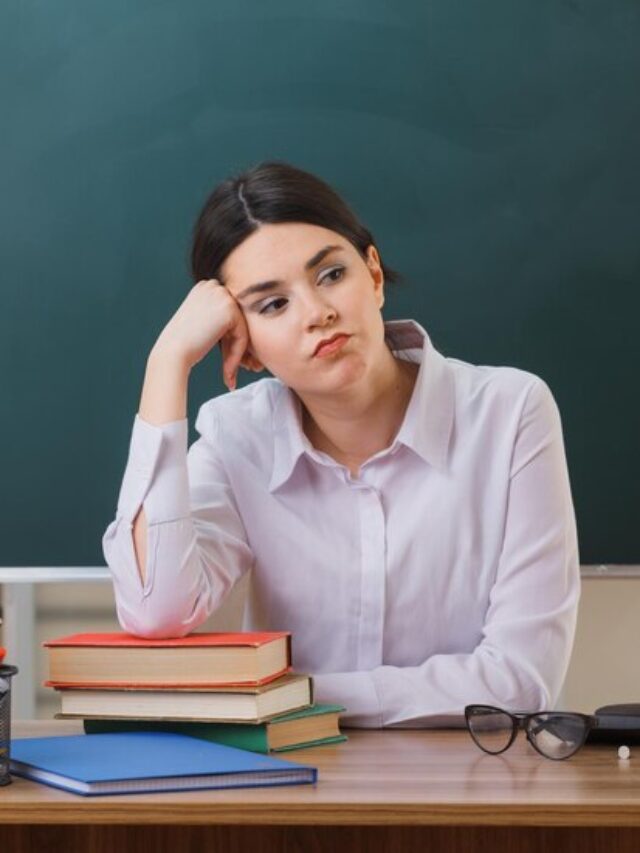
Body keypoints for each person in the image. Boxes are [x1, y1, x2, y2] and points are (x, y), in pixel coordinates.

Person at [102, 160, 580, 728]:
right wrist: (167, 363)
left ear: (374, 275)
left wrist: (282, 697)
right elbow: (156, 611)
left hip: (469, 790)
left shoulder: (510, 412)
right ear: (246, 348)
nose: (318, 313)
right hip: (289, 788)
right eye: (272, 304)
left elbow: (520, 682)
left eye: (330, 275)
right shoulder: (237, 439)